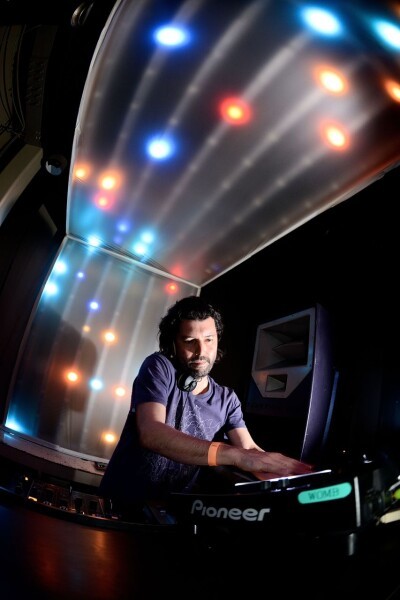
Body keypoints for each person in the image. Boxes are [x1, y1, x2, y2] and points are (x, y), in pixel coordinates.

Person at [99, 295, 312, 520]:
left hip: (169, 514)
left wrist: (291, 477)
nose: (201, 351)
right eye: (190, 340)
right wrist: (232, 454)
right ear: (173, 344)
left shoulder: (228, 399)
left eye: (209, 339)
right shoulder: (159, 367)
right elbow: (151, 432)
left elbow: (249, 450)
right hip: (121, 504)